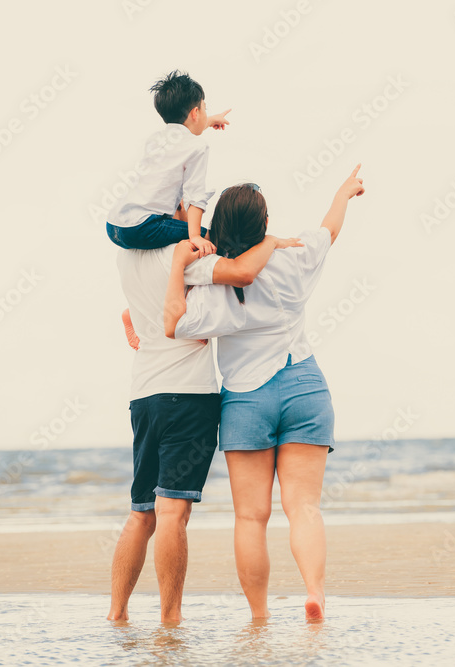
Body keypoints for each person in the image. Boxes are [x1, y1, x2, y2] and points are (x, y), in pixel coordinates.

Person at [163, 165, 366, 620]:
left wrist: (183, 268)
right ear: (265, 222)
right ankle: (314, 592)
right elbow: (329, 229)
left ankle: (259, 616)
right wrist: (343, 192)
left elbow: (174, 323)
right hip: (305, 388)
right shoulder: (294, 256)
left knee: (251, 518)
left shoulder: (213, 283)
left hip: (246, 399)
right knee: (304, 508)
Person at [106, 215, 303, 625]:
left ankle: (117, 614)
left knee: (141, 512)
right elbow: (244, 273)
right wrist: (272, 241)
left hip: (143, 394)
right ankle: (170, 619)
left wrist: (131, 327)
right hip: (187, 396)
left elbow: (129, 312)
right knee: (172, 513)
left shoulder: (129, 259)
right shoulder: (187, 256)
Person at [105, 70, 230, 349]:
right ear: (195, 112)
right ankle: (191, 315)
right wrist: (197, 236)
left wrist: (211, 119)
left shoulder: (157, 139)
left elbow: (183, 131)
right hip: (142, 226)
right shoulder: (198, 146)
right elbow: (195, 197)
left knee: (174, 238)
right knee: (209, 242)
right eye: (205, 108)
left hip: (115, 225)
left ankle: (131, 311)